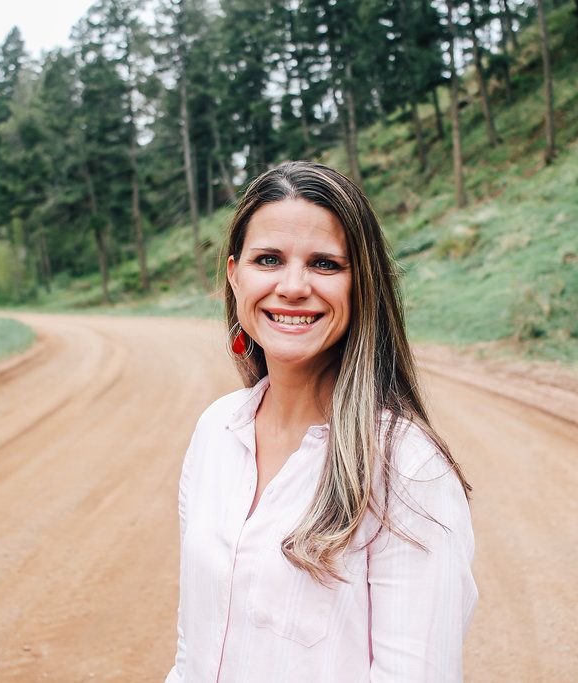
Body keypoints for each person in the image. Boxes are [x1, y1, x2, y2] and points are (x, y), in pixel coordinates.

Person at [166, 161, 477, 682]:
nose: (292, 286)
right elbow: (191, 651)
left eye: (325, 264)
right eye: (268, 259)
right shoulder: (216, 431)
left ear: (363, 286)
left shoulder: (406, 465)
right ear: (233, 273)